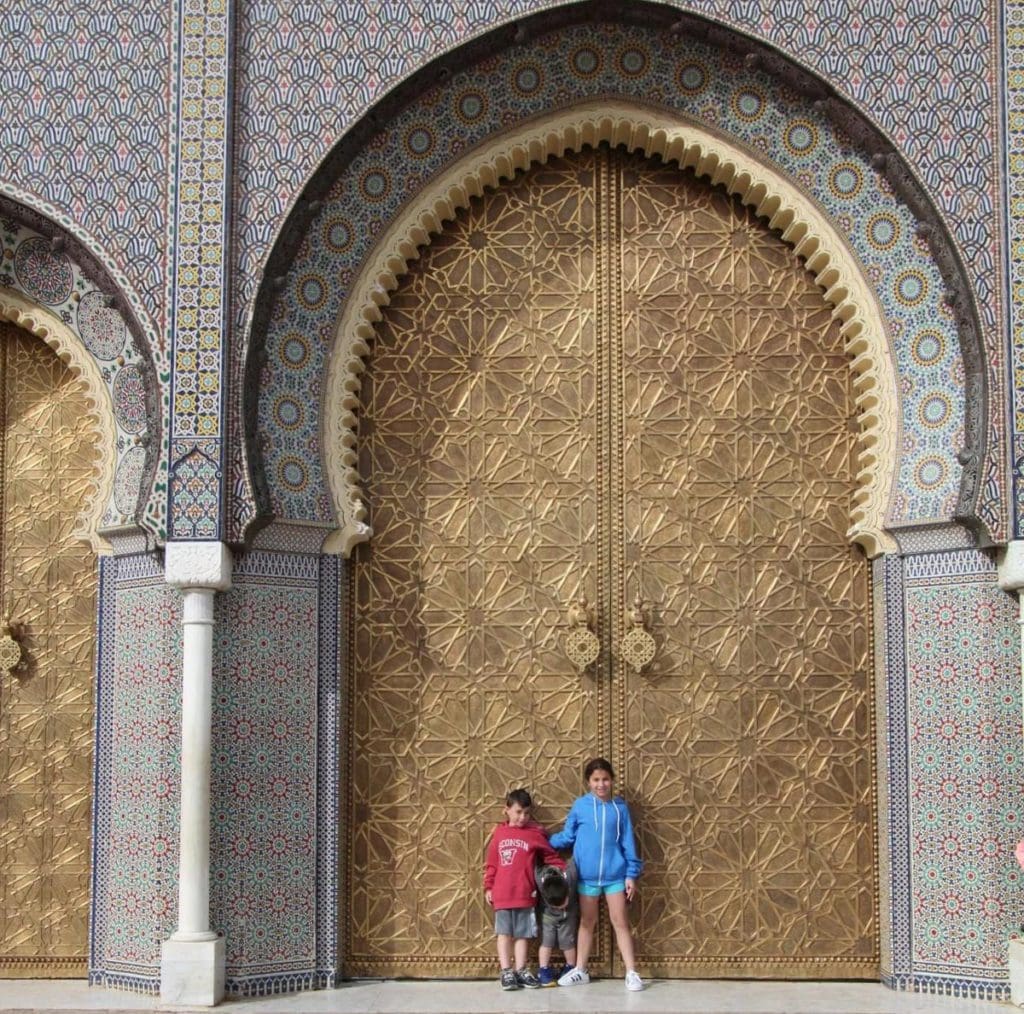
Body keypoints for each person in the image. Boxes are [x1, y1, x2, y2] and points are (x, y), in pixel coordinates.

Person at [549, 757, 645, 991]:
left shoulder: (620, 808)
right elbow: (568, 836)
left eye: (605, 779)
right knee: (586, 922)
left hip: (615, 876)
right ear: (588, 782)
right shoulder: (580, 806)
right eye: (595, 780)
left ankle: (632, 972)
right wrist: (544, 840)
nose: (601, 784)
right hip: (587, 878)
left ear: (611, 780)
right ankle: (580, 970)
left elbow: (627, 842)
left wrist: (631, 874)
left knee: (620, 922)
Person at [483, 788, 565, 991]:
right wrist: (488, 886)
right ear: (507, 810)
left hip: (525, 894)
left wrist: (560, 873)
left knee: (523, 934)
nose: (522, 817)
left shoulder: (533, 835)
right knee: (504, 934)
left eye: (526, 813)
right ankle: (506, 971)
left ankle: (520, 970)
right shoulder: (500, 833)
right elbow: (492, 863)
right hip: (502, 894)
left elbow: (550, 855)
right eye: (518, 812)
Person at [535, 859, 578, 986]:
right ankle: (543, 969)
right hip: (548, 916)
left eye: (561, 903)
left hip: (568, 915)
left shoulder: (570, 878)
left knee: (567, 941)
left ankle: (570, 967)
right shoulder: (540, 879)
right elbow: (535, 867)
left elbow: (573, 863)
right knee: (546, 942)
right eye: (556, 905)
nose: (559, 906)